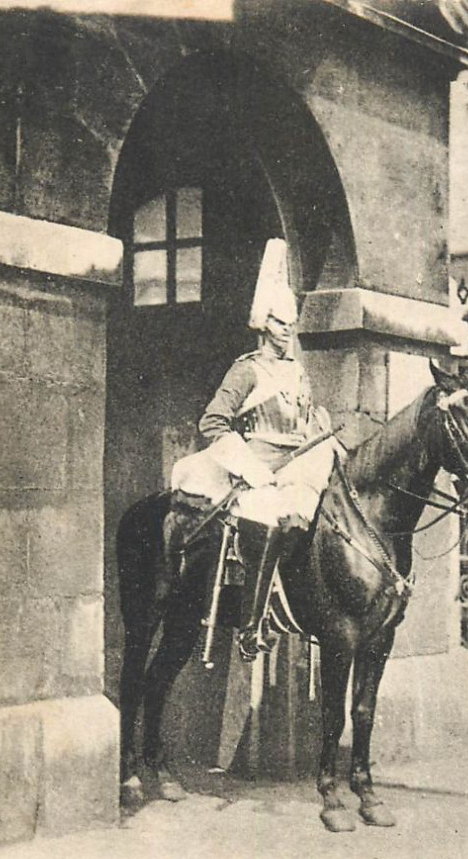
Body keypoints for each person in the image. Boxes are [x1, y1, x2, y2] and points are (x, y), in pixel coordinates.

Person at [166, 239, 335, 661]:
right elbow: (213, 422)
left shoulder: (297, 373)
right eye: (280, 324)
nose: (287, 332)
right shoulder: (246, 371)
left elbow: (305, 419)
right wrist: (249, 468)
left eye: (291, 325)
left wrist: (322, 426)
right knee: (268, 518)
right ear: (264, 324)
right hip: (253, 471)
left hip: (297, 467)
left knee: (323, 519)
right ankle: (251, 626)